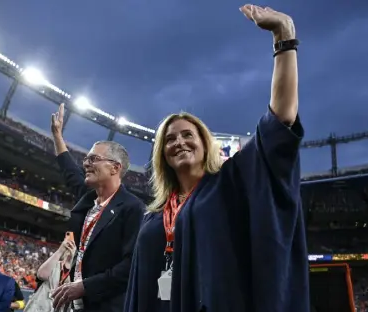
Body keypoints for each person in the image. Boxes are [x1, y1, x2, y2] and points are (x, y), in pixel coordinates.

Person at [126, 5, 308, 312]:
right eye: (169, 139)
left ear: (205, 144)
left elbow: (279, 123)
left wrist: (284, 36)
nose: (179, 142)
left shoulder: (228, 183)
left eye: (188, 135)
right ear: (161, 155)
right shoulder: (155, 215)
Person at [50, 104, 145, 312]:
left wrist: (85, 287)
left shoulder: (132, 208)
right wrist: (57, 135)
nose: (86, 163)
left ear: (115, 167)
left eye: (93, 159)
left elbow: (132, 265)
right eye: (86, 159)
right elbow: (69, 170)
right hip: (76, 306)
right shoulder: (87, 200)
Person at [24, 233, 77, 312]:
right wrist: (60, 250)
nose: (69, 248)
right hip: (39, 307)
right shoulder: (53, 264)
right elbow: (41, 275)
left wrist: (69, 261)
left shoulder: (76, 272)